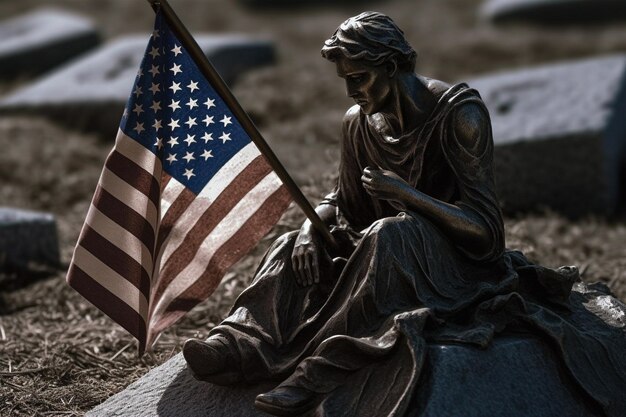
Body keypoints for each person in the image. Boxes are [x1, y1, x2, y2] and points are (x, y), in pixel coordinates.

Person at [183, 11, 626, 417]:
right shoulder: (358, 120)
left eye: (359, 78)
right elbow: (343, 199)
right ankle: (241, 342)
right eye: (345, 80)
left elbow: (487, 237)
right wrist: (308, 228)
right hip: (382, 248)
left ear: (392, 68)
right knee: (293, 245)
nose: (351, 91)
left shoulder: (459, 115)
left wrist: (407, 196)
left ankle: (318, 368)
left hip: (456, 263)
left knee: (390, 233)